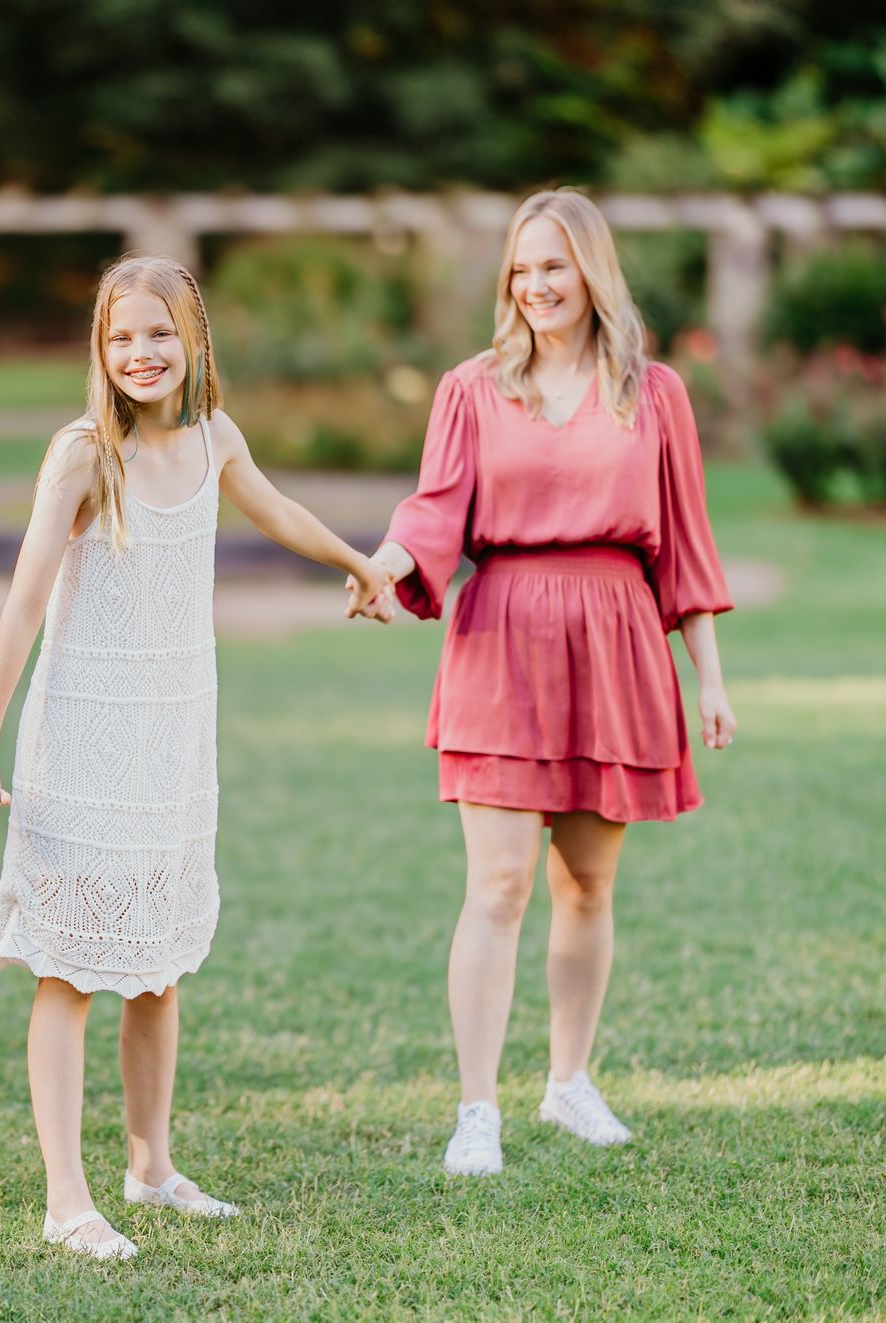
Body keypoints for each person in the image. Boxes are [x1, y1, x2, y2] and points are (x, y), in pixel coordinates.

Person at [0, 255, 391, 1261]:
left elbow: (276, 511)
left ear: (195, 338)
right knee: (66, 971)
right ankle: (69, 1200)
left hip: (174, 734)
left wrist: (359, 562)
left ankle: (150, 1169)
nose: (140, 354)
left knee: (157, 969)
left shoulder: (215, 438)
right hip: (83, 736)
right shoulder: (80, 456)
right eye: (120, 338)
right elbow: (22, 606)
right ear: (98, 352)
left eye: (158, 334)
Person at [352, 188, 736, 1177]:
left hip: (616, 644)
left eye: (553, 267)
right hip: (503, 639)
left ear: (593, 272)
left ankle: (569, 1084)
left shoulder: (656, 394)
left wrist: (711, 683)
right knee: (498, 885)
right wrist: (387, 568)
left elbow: (686, 547)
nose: (534, 287)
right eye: (520, 270)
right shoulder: (472, 388)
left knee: (588, 884)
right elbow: (435, 511)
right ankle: (476, 1109)